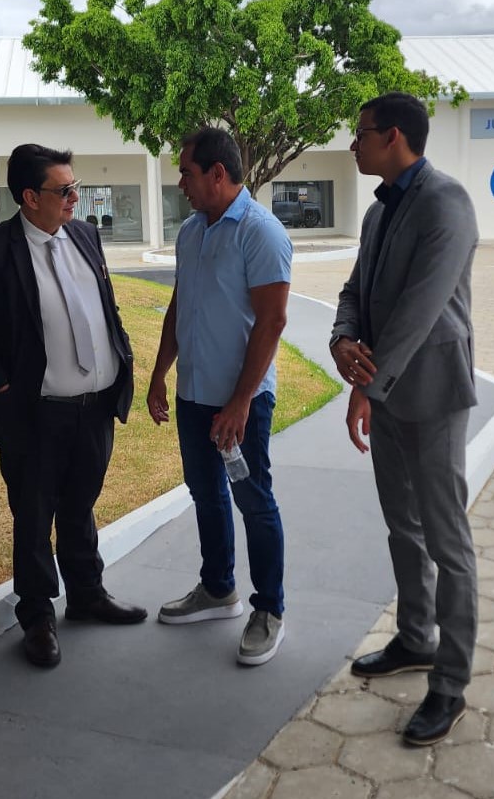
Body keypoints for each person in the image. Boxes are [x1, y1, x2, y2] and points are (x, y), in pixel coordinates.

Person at [0, 143, 147, 669]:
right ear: (29, 196)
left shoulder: (84, 236)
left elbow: (104, 306)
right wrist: (2, 388)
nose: (76, 199)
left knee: (80, 504)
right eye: (65, 191)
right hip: (35, 413)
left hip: (95, 406)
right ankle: (37, 614)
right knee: (34, 515)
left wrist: (120, 356)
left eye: (75, 187)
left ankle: (86, 594)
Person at [330, 92, 479, 746]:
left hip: (434, 395)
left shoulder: (446, 203)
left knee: (447, 543)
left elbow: (420, 310)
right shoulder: (377, 210)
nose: (352, 145)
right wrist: (341, 343)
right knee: (402, 528)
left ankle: (450, 682)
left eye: (359, 134)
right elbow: (354, 294)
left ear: (393, 137)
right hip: (387, 393)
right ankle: (416, 638)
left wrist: (367, 384)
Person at [146, 127, 292, 666]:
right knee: (205, 494)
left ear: (217, 173)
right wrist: (161, 373)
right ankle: (218, 588)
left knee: (253, 502)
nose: (179, 181)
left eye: (186, 171)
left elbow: (272, 321)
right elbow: (181, 305)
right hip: (193, 397)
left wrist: (239, 402)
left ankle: (269, 609)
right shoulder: (190, 231)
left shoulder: (261, 232)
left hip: (242, 405)